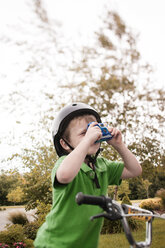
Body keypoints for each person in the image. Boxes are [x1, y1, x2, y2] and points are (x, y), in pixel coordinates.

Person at [34, 102, 142, 248]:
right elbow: (65, 175)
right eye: (84, 133)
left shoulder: (102, 165)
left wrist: (119, 145)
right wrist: (88, 139)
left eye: (95, 130)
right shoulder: (65, 163)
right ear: (65, 144)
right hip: (54, 243)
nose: (93, 136)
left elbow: (135, 170)